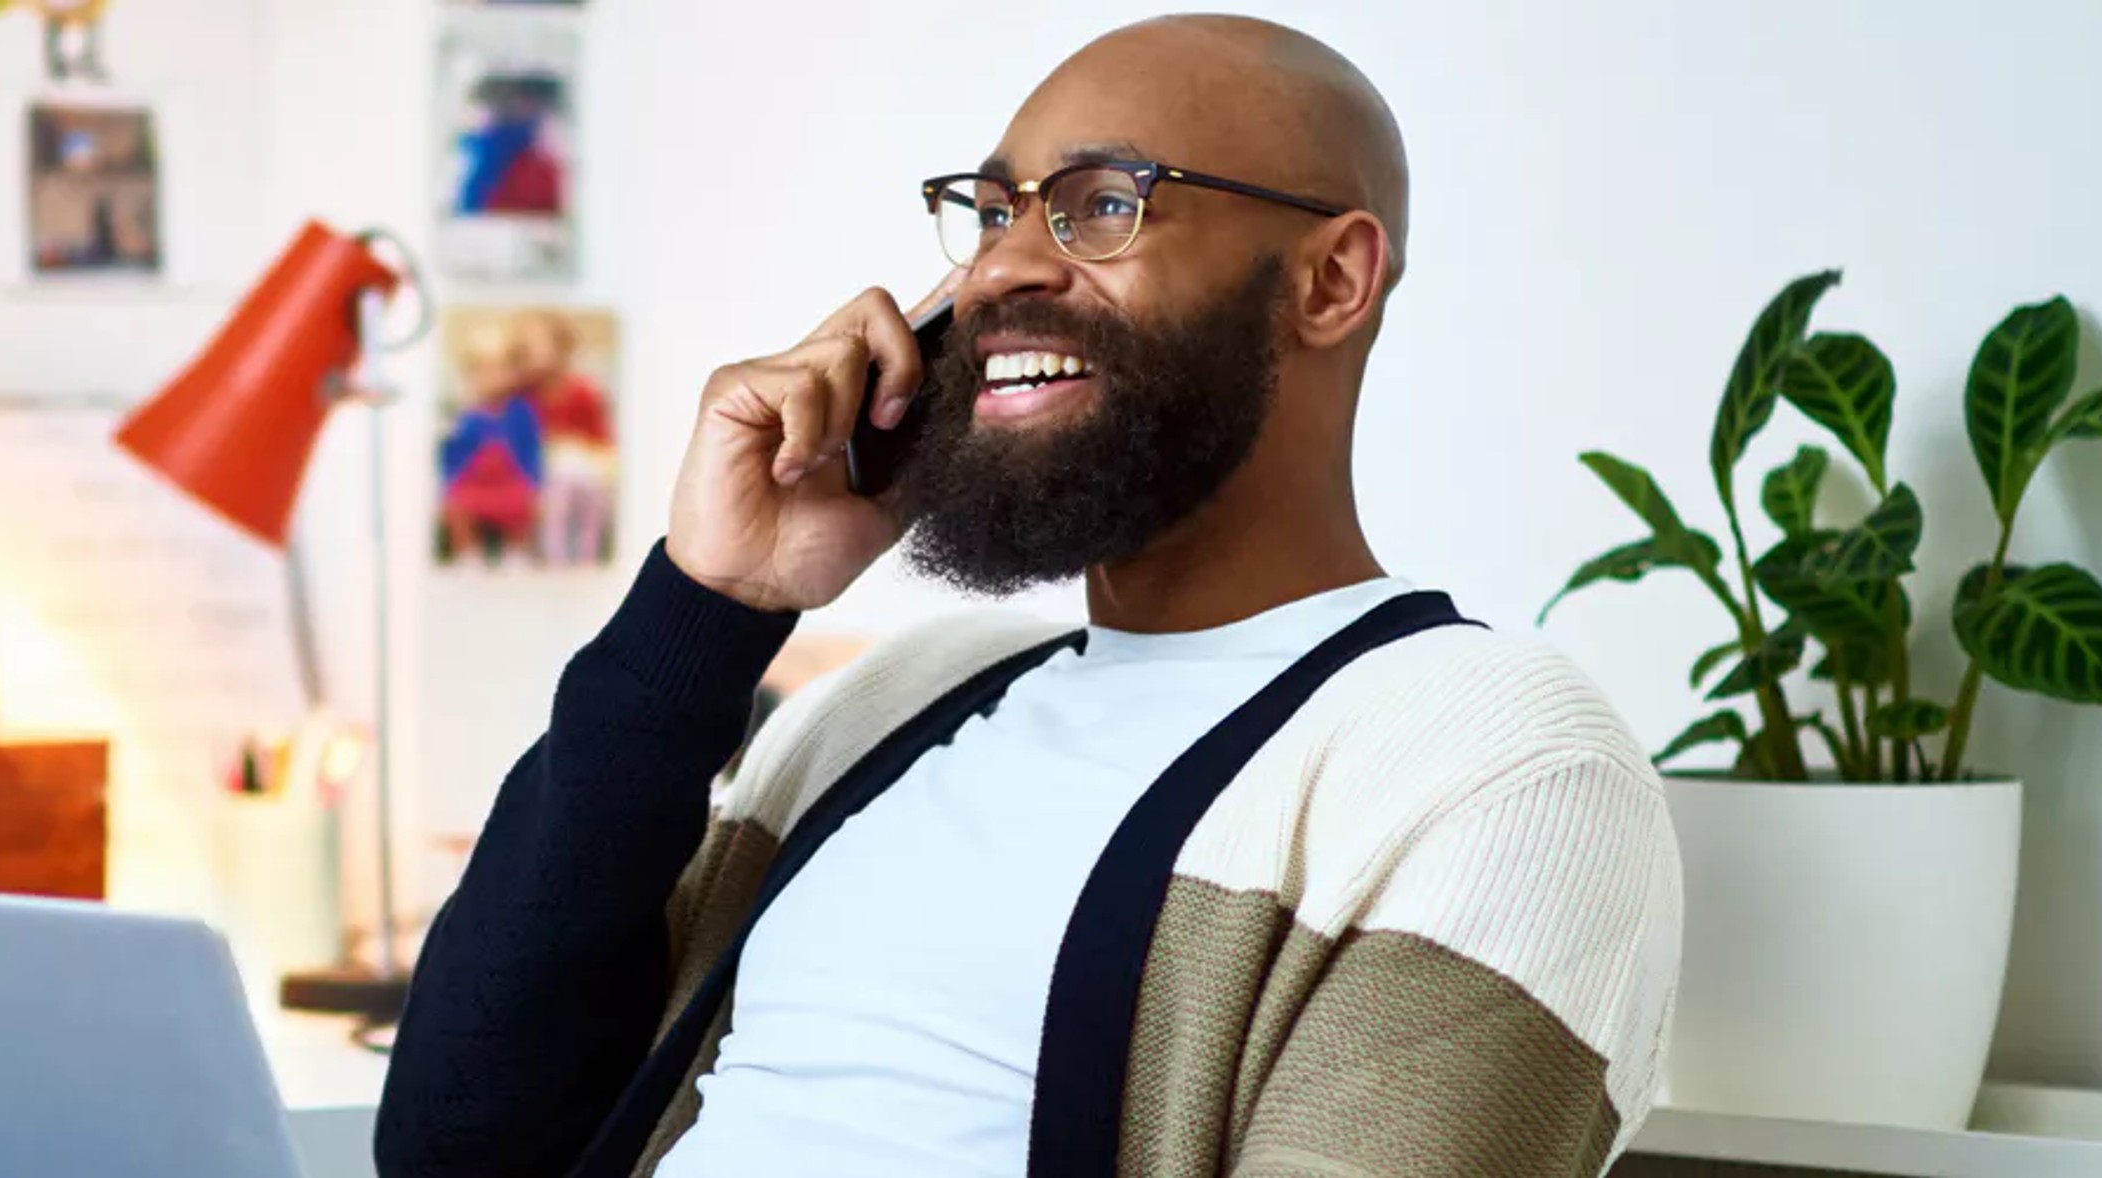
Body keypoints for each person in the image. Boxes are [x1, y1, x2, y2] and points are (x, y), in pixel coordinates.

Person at [378, 15, 1681, 1178]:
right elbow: (456, 1143)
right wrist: (709, 606)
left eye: (1103, 204)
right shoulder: (891, 706)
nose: (1000, 270)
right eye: (995, 211)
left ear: (1330, 280)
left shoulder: (1501, 772)